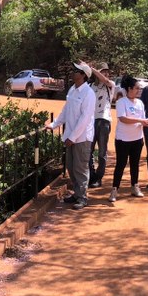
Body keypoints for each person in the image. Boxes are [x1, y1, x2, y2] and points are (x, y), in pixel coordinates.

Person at [45, 61, 96, 210]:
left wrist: (73, 137)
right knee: (71, 167)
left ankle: (82, 197)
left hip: (82, 138)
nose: (73, 72)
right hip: (70, 137)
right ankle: (76, 193)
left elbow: (85, 119)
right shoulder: (73, 90)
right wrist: (54, 124)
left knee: (80, 168)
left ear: (83, 75)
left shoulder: (88, 94)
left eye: (76, 71)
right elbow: (66, 111)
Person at [109, 76, 148, 202]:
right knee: (121, 164)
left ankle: (135, 186)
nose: (139, 90)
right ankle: (114, 190)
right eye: (137, 88)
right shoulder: (121, 102)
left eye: (139, 88)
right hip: (123, 139)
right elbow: (123, 118)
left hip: (137, 139)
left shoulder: (140, 103)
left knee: (135, 164)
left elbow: (142, 119)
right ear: (129, 89)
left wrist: (146, 122)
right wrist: (140, 120)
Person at [88, 62, 115, 188]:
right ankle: (91, 176)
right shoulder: (90, 86)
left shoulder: (110, 85)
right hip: (90, 121)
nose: (106, 74)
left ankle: (99, 178)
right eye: (103, 71)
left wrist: (92, 69)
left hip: (104, 120)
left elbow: (105, 80)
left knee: (102, 152)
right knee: (89, 151)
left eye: (107, 72)